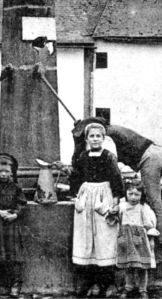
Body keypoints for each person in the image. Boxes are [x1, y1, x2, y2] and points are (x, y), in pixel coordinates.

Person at [73, 117, 162, 256]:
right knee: (149, 193)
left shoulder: (107, 137)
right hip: (156, 153)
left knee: (153, 199)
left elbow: (109, 163)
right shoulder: (111, 130)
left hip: (148, 158)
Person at [58, 122, 124, 298]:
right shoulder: (82, 156)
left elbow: (116, 178)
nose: (95, 139)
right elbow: (77, 176)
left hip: (104, 196)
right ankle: (93, 282)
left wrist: (116, 202)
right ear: (87, 139)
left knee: (105, 239)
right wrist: (69, 177)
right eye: (91, 136)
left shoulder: (109, 157)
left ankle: (109, 283)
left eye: (98, 136)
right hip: (86, 197)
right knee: (87, 239)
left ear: (103, 139)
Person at [0, 153, 27, 298]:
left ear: (12, 173)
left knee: (13, 254)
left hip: (12, 225)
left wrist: (15, 214)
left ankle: (15, 284)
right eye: (0, 171)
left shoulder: (16, 188)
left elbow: (22, 203)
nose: (3, 174)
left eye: (7, 171)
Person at [117, 178, 159, 299]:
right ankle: (128, 287)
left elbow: (150, 225)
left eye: (137, 194)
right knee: (129, 265)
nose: (133, 198)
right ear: (126, 193)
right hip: (126, 240)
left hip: (139, 241)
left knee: (141, 266)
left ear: (142, 195)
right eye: (130, 194)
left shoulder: (143, 208)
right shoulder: (122, 207)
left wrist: (151, 240)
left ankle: (143, 289)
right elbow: (119, 221)